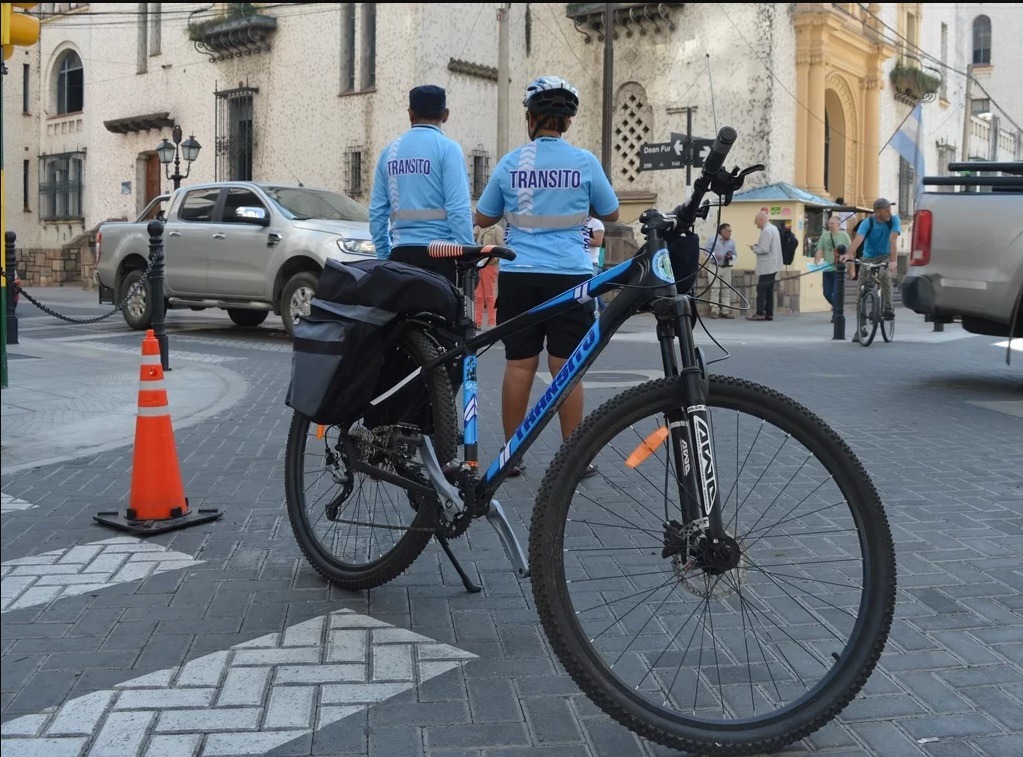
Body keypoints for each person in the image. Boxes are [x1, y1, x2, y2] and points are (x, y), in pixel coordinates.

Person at [474, 75, 620, 478]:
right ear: (567, 123)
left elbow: (483, 217)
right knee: (567, 368)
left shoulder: (509, 162)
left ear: (531, 116)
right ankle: (574, 459)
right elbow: (611, 214)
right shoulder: (585, 162)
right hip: (571, 277)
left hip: (519, 274)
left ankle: (512, 456)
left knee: (519, 365)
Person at [369, 84, 474, 285]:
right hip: (440, 255)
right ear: (445, 115)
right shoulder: (448, 149)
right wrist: (469, 257)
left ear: (410, 114)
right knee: (442, 316)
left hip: (400, 256)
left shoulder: (389, 152)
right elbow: (458, 209)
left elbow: (376, 212)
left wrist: (384, 256)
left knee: (401, 316)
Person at [841, 197, 900, 341]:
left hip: (886, 256)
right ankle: (860, 327)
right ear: (877, 211)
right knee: (861, 292)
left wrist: (893, 262)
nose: (889, 213)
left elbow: (893, 241)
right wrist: (849, 254)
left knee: (885, 276)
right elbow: (858, 240)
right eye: (886, 210)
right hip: (868, 258)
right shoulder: (867, 223)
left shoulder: (893, 220)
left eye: (889, 210)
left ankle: (888, 308)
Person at [746, 211, 783, 321]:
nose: (755, 223)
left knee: (761, 289)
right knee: (769, 290)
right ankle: (769, 313)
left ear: (762, 220)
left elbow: (764, 249)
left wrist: (754, 248)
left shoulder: (766, 231)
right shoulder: (773, 228)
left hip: (767, 265)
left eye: (756, 221)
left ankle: (760, 312)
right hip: (774, 264)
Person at [815, 215, 851, 321]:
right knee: (826, 293)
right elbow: (820, 249)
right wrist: (816, 261)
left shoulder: (844, 236)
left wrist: (851, 269)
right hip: (827, 269)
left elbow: (850, 252)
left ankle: (837, 314)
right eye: (829, 224)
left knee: (836, 292)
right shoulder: (824, 236)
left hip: (839, 270)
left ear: (839, 225)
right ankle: (837, 308)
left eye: (832, 224)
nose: (830, 226)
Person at [473, 221, 502, 329]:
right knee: (478, 295)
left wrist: (494, 260)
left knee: (490, 295)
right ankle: (477, 322)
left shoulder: (496, 229)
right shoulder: (478, 228)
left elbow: (501, 247)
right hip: (478, 264)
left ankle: (491, 323)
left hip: (490, 264)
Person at [705, 222, 737, 318]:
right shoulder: (713, 239)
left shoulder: (732, 242)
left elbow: (735, 255)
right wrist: (714, 256)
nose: (730, 233)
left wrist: (731, 257)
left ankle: (725, 310)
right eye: (728, 231)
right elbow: (706, 251)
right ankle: (714, 310)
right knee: (715, 288)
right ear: (722, 231)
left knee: (726, 289)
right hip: (714, 266)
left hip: (726, 267)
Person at [584, 215, 606, 314]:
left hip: (591, 262)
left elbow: (598, 242)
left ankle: (595, 315)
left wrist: (578, 239)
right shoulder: (577, 222)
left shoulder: (596, 223)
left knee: (592, 291)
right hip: (579, 262)